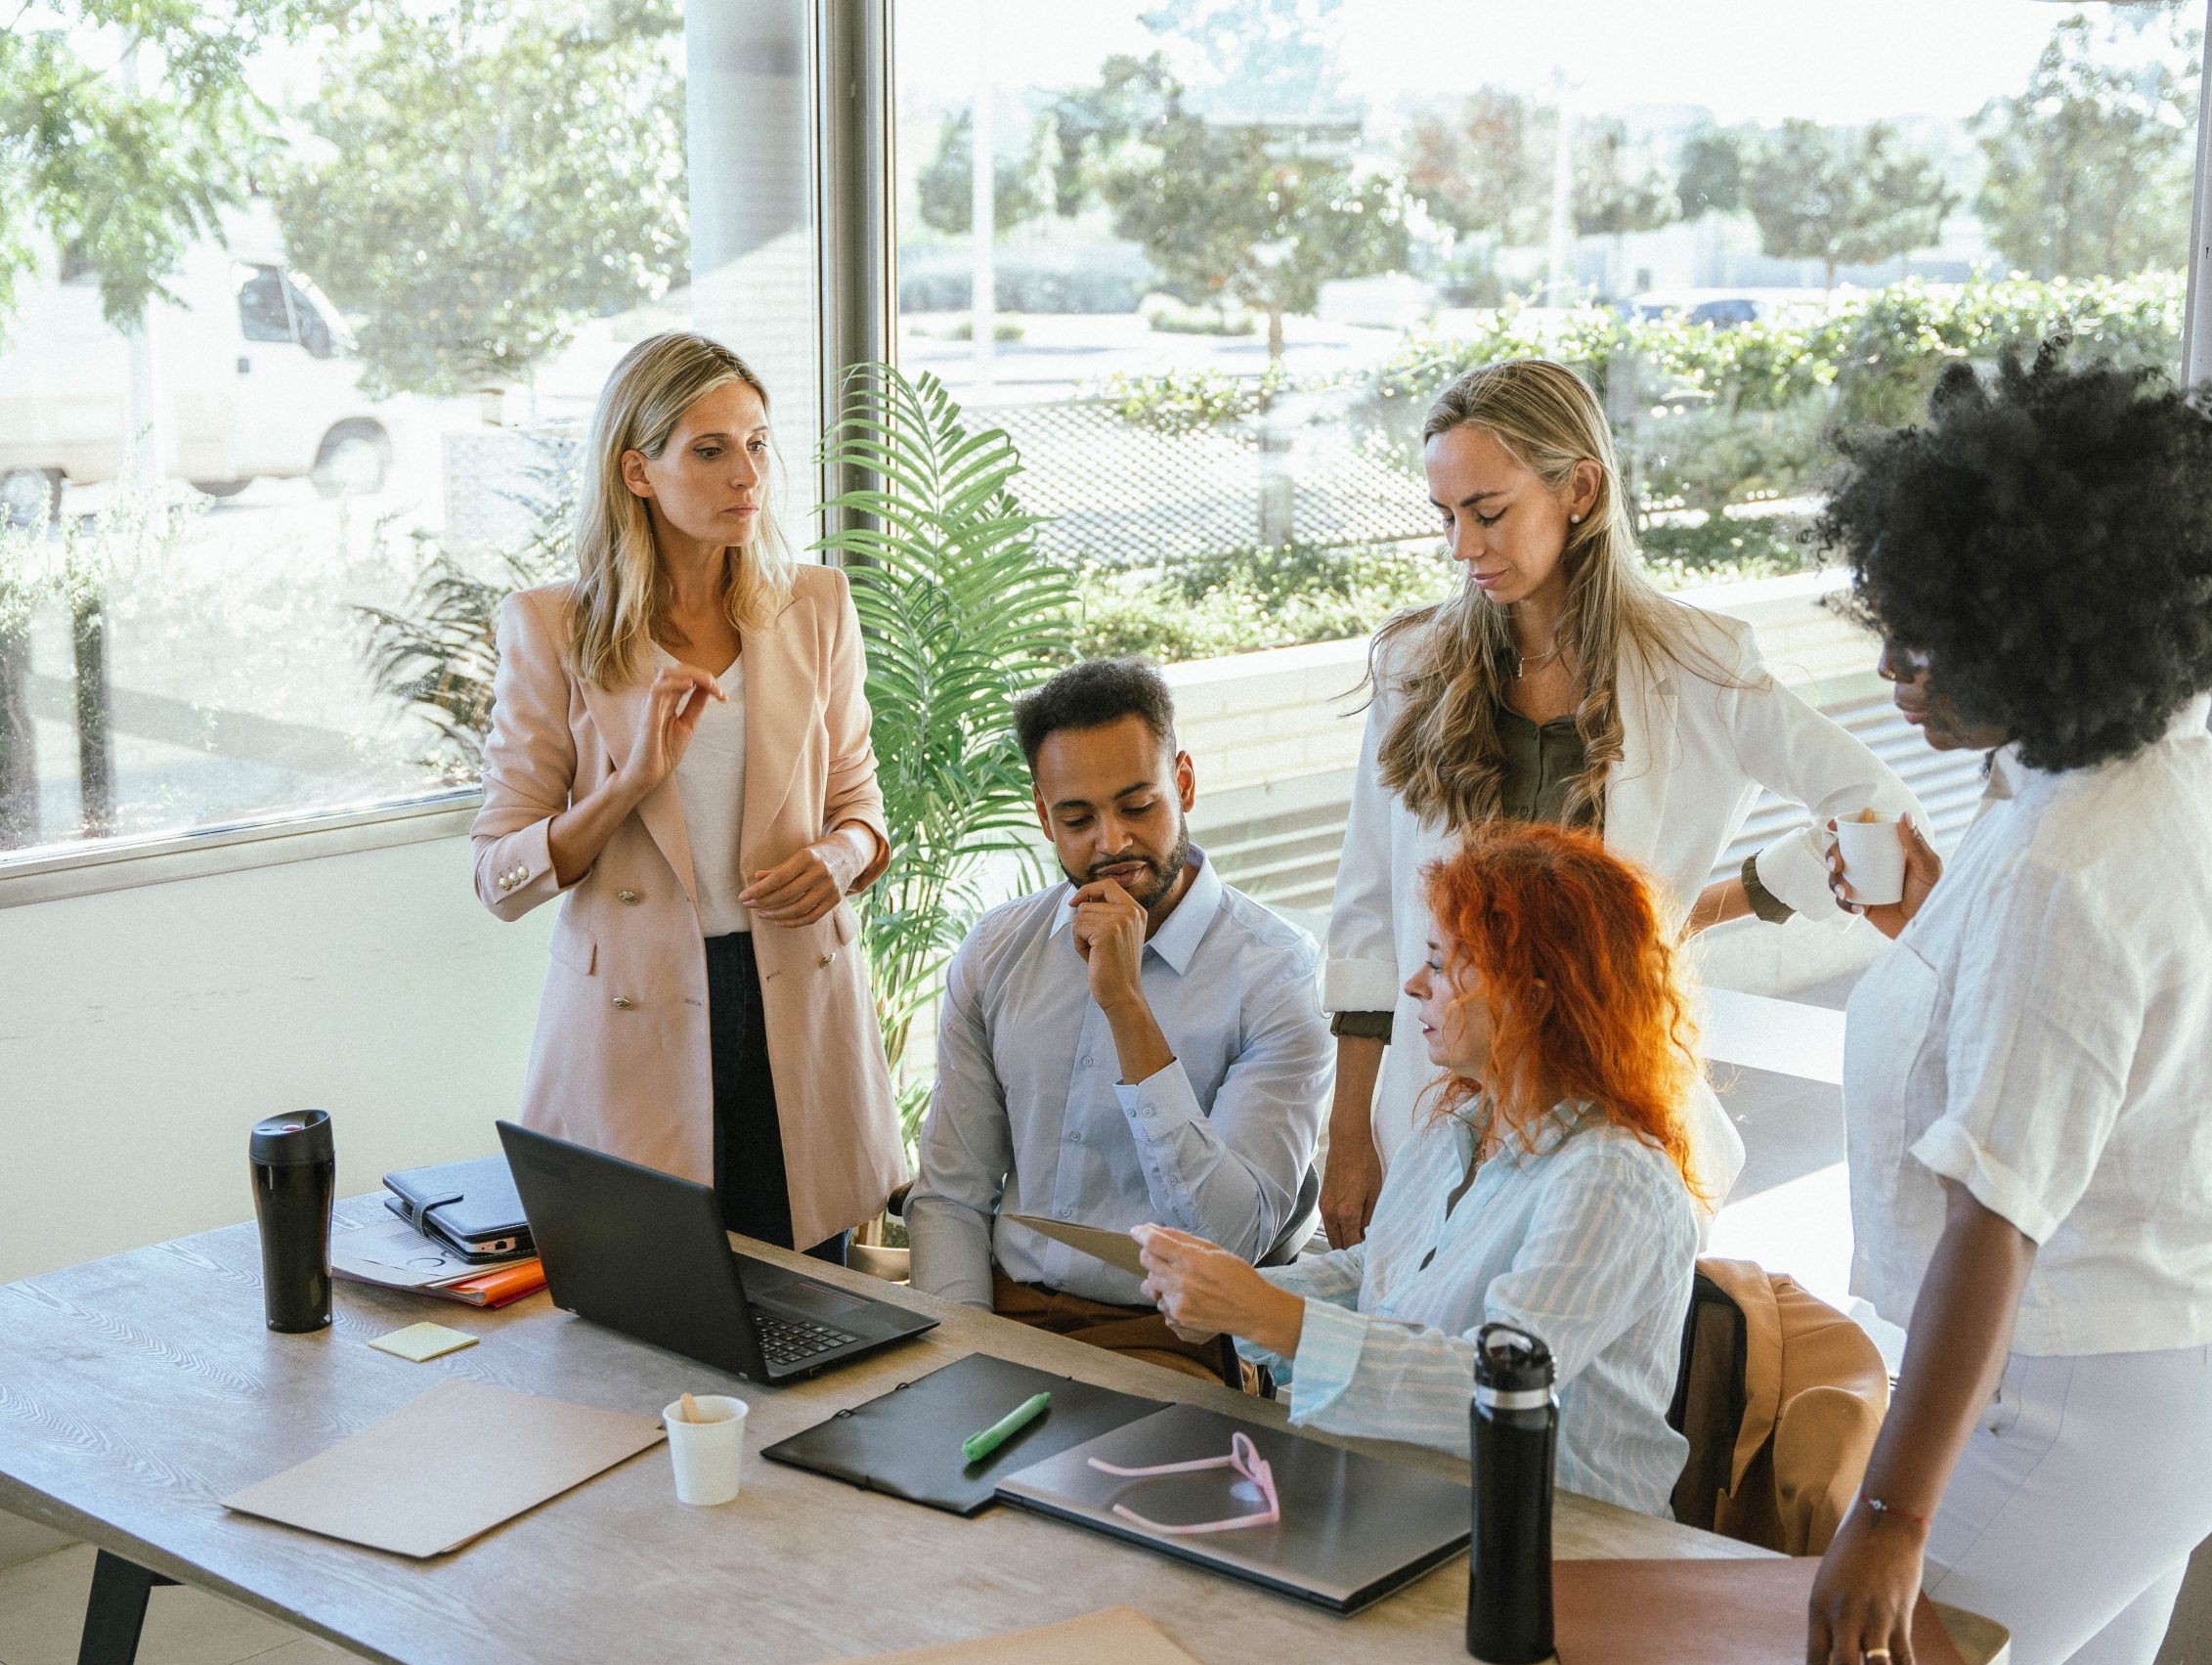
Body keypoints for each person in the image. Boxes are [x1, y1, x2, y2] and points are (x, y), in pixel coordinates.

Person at [1800, 346, 2212, 1665]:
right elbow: (2088, 1041)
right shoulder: (2172, 773)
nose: (1901, 679)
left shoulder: (2060, 873)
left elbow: (1993, 1226)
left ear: (2048, 631)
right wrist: (1927, 942)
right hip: (2196, 1361)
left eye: (1932, 646)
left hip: (2076, 1388)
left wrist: (1887, 1519)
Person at [1323, 357, 1924, 1247]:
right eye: (1445, 517)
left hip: (1610, 1101)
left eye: (1488, 512)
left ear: (1581, 489)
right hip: (1434, 1103)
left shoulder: (1698, 663)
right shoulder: (1413, 670)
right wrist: (1345, 1136)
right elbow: (1369, 912)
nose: (1462, 547)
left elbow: (1872, 799)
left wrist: (1719, 903)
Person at [472, 331, 902, 1256]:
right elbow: (497, 875)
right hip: (638, 1026)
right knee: (651, 1328)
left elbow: (861, 810)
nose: (747, 474)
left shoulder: (815, 605)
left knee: (811, 1311)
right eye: (709, 450)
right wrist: (629, 782)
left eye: (756, 443)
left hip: (795, 1004)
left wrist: (838, 858)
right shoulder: (552, 629)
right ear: (638, 470)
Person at [1136, 822, 1706, 1517]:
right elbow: (1378, 1275)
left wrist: (1268, 1315)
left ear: (1531, 998)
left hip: (1564, 1543)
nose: (1412, 984)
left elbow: (1491, 1388)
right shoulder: (1457, 1129)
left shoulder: (1613, 1182)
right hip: (1418, 1503)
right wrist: (1234, 1301)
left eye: (1440, 962)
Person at [905, 658, 1333, 1381]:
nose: (1111, 842)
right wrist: (959, 1355)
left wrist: (1126, 1006)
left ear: (1185, 783)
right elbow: (952, 1194)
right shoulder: (998, 952)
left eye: (1139, 806)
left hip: (1172, 1340)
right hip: (1000, 1313)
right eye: (1078, 818)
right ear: (1044, 815)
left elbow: (1232, 1239)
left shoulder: (1276, 972)